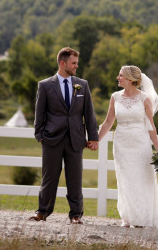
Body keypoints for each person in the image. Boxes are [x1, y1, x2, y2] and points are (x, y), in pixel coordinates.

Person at [98, 65, 158, 230]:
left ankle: (142, 218)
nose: (118, 78)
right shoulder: (115, 97)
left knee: (142, 180)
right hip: (121, 144)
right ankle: (128, 217)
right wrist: (95, 140)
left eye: (121, 75)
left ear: (130, 79)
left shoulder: (144, 98)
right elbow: (108, 122)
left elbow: (151, 126)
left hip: (140, 144)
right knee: (125, 180)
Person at [29, 47, 99, 224]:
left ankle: (76, 215)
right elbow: (39, 113)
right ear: (63, 63)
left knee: (75, 178)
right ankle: (42, 212)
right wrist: (40, 135)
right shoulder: (45, 85)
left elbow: (89, 113)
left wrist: (93, 137)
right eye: (73, 63)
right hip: (51, 138)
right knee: (49, 177)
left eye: (76, 63)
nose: (76, 66)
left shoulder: (82, 84)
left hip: (75, 139)